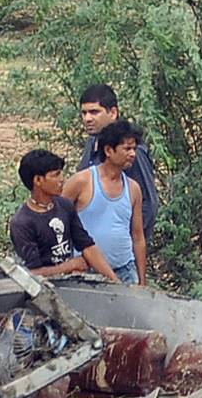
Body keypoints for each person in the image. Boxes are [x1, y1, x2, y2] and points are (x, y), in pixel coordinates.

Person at [8, 148, 118, 280]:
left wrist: (114, 280)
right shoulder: (22, 222)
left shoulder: (65, 206)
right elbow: (31, 274)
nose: (62, 180)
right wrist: (68, 266)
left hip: (70, 285)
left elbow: (87, 246)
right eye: (55, 175)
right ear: (37, 180)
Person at [63, 116, 146, 285]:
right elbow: (55, 220)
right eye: (127, 148)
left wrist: (142, 282)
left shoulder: (133, 188)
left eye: (134, 149)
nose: (132, 154)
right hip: (86, 272)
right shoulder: (82, 182)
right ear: (109, 150)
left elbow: (138, 237)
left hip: (125, 270)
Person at [78, 81, 161, 237]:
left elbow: (148, 204)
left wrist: (129, 242)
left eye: (94, 112)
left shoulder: (131, 151)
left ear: (113, 113)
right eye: (84, 113)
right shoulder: (93, 143)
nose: (87, 118)